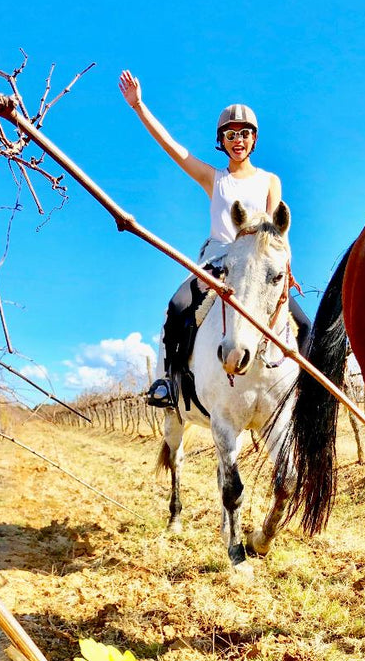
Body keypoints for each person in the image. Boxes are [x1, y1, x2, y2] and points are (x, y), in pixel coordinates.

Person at [118, 70, 310, 409]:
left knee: (305, 325)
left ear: (254, 139)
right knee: (177, 307)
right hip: (217, 261)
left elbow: (278, 231)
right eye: (230, 133)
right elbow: (174, 150)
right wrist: (139, 107)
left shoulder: (270, 180)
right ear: (221, 140)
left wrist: (287, 266)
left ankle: (307, 391)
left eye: (245, 133)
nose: (238, 139)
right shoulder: (214, 178)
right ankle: (167, 382)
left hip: (258, 263)